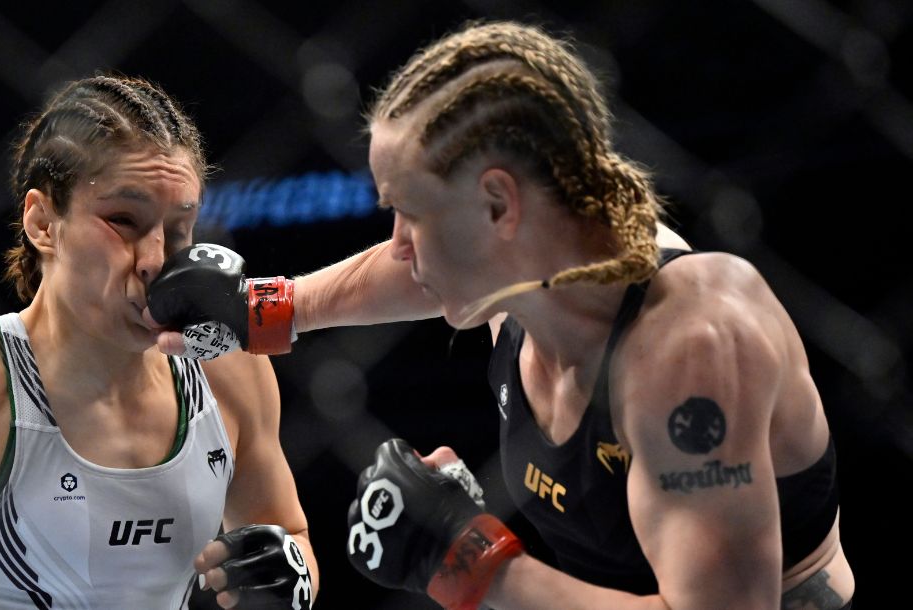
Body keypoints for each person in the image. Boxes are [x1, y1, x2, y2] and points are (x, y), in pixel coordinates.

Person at [146, 21, 854, 610]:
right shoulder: (518, 281)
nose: (396, 242)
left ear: (497, 206)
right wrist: (265, 309)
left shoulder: (687, 350)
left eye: (409, 213)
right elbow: (414, 270)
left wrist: (468, 556)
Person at [0, 75, 318, 610]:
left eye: (179, 230)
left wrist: (286, 574)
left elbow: (291, 536)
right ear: (43, 223)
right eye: (124, 221)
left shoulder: (226, 370)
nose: (156, 258)